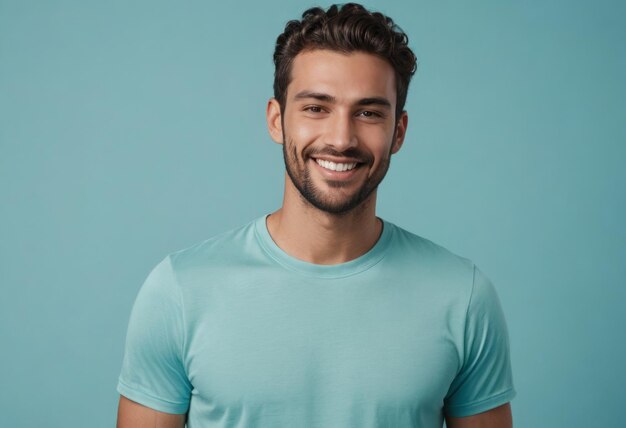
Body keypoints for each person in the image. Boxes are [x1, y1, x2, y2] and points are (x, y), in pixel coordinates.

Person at [116, 3, 516, 427]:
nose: (341, 139)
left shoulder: (463, 297)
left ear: (398, 131)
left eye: (368, 113)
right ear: (276, 120)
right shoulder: (179, 290)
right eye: (315, 108)